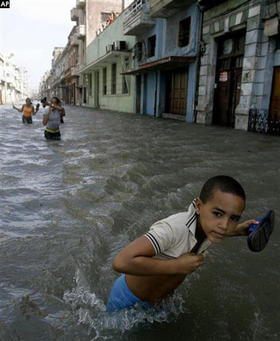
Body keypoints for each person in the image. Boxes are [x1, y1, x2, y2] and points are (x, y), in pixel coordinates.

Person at [107, 175, 260, 312]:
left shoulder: (210, 228)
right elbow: (121, 262)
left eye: (234, 218)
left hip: (160, 301)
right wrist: (177, 266)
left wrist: (239, 230)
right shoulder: (174, 229)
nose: (225, 225)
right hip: (128, 302)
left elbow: (221, 229)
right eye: (218, 213)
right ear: (199, 206)